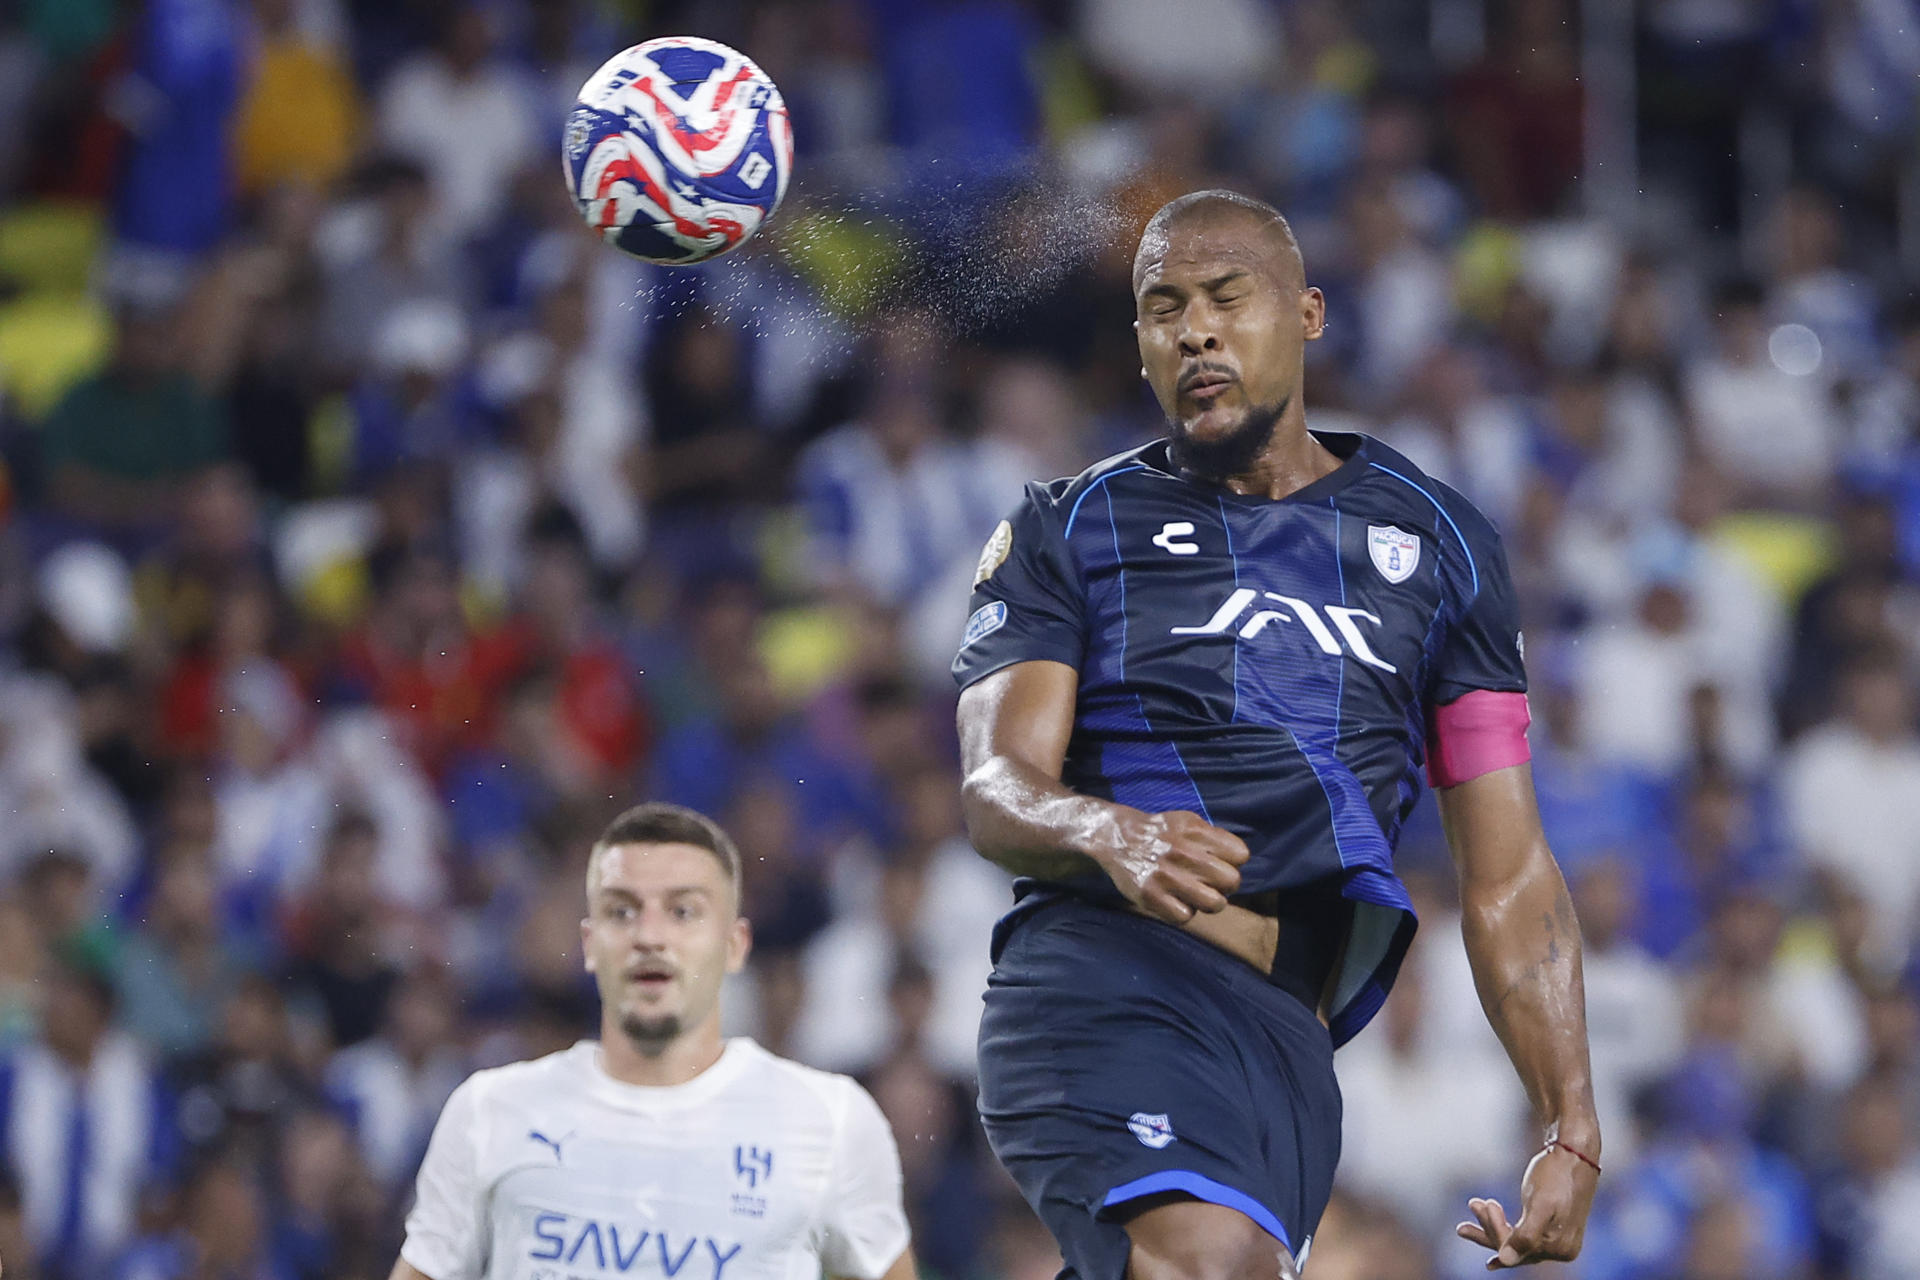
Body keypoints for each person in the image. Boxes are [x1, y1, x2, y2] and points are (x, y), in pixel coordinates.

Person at [954, 190, 1600, 1279]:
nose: (1194, 329)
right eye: (1164, 308)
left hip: (1288, 1044)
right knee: (1211, 1263)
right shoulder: (1066, 525)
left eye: (1223, 297)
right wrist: (1109, 830)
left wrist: (1569, 1121)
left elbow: (1510, 871)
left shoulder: (1438, 543)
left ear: (1308, 314)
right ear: (1143, 348)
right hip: (1106, 973)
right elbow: (994, 782)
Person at [388, 801, 916, 1280]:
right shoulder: (490, 1111)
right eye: (622, 911)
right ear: (590, 945)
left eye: (683, 911)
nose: (649, 936)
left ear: (735, 946)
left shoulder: (830, 1120)